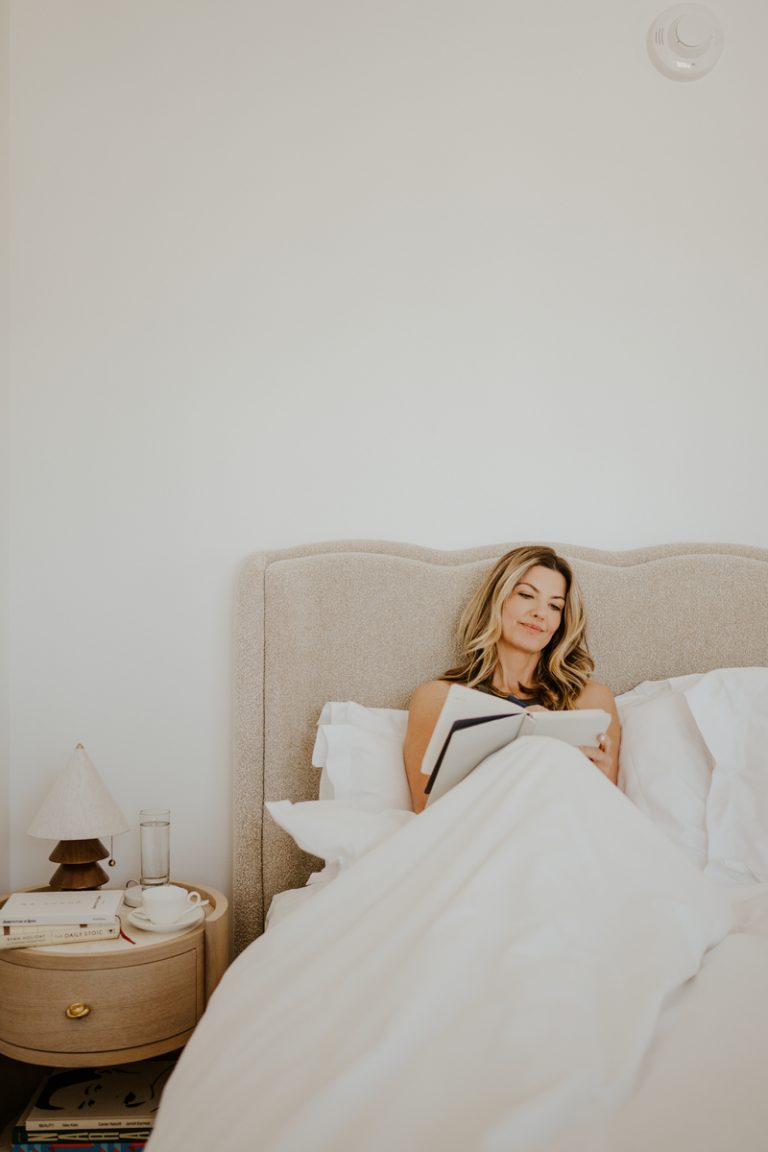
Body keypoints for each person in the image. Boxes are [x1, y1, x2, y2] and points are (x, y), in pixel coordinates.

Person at [403, 545, 621, 813]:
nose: (540, 613)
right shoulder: (438, 698)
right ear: (497, 599)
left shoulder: (590, 700)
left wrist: (593, 777)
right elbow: (426, 810)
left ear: (561, 622)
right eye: (527, 595)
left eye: (554, 606)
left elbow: (608, 814)